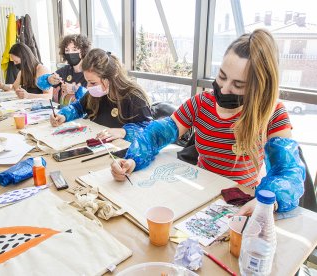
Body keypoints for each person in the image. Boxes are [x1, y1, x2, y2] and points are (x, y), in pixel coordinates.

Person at [111, 29, 305, 214]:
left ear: (258, 88)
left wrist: (267, 202)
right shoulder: (201, 102)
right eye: (222, 76)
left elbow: (287, 172)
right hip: (198, 191)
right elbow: (159, 133)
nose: (224, 88)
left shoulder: (272, 113)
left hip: (242, 199)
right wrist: (133, 159)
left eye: (238, 85)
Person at [49, 48, 153, 142]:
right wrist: (63, 115)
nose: (88, 87)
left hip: (126, 154)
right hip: (101, 146)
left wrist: (123, 132)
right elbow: (78, 107)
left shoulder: (134, 96)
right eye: (87, 81)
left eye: (93, 83)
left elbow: (149, 132)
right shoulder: (95, 93)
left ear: (110, 79)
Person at [37, 34, 91, 107]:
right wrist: (48, 79)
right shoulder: (65, 70)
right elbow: (40, 83)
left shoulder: (90, 72)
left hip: (82, 116)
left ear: (83, 51)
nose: (70, 53)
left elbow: (93, 99)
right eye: (67, 50)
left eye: (74, 49)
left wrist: (75, 89)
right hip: (61, 114)